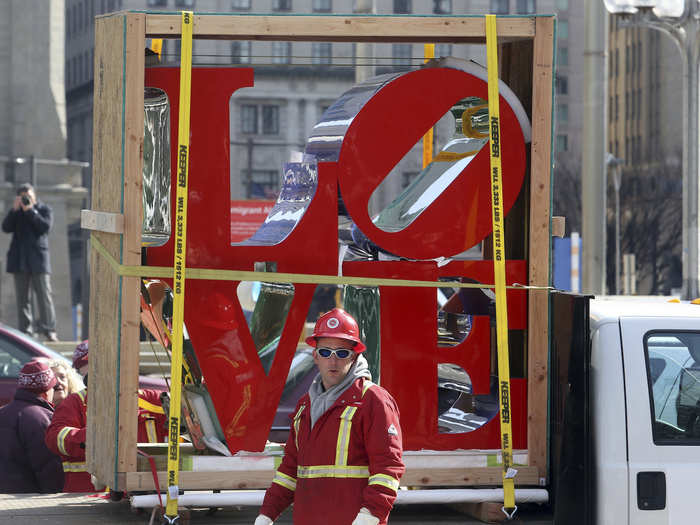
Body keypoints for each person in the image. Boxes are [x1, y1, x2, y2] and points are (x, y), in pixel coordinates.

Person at [256, 308, 404, 525]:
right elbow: (290, 470)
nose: (333, 361)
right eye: (326, 352)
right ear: (315, 355)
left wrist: (369, 516)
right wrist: (266, 514)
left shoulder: (373, 400)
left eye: (342, 353)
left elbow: (388, 469)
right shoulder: (304, 406)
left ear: (354, 356)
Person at [45, 341, 168, 492]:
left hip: (148, 493)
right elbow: (54, 439)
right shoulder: (75, 403)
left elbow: (185, 424)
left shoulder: (152, 400)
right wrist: (98, 435)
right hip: (87, 498)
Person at [1, 183, 58, 341]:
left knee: (44, 295)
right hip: (19, 260)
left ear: (34, 195)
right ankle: (26, 331)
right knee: (22, 298)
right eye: (23, 197)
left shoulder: (44, 209)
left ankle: (49, 329)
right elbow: (5, 227)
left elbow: (45, 227)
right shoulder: (16, 213)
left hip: (38, 260)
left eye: (29, 196)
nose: (26, 199)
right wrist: (14, 210)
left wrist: (30, 210)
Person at [0, 359, 64, 493]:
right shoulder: (42, 419)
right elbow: (48, 466)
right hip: (27, 501)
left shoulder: (3, 412)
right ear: (46, 392)